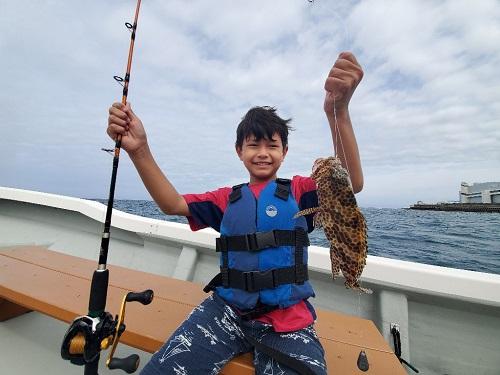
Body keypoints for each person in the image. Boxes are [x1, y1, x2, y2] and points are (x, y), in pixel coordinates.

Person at [107, 51, 364, 375]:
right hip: (225, 312)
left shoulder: (299, 192)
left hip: (290, 322)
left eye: (272, 145)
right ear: (239, 151)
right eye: (253, 145)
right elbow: (171, 203)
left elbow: (349, 184)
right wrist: (139, 149)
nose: (262, 153)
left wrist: (337, 111)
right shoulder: (226, 199)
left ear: (284, 152)